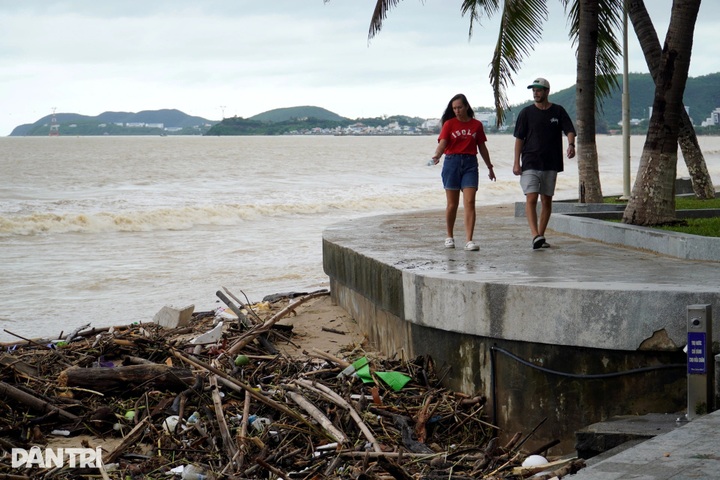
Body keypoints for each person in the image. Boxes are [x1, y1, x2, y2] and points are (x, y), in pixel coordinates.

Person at [513, 77, 576, 250]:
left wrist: (571, 145)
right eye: (533, 90)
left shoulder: (558, 111)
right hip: (530, 161)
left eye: (539, 90)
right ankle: (535, 235)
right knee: (531, 197)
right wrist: (516, 163)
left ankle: (540, 236)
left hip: (551, 162)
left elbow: (569, 129)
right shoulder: (526, 113)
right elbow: (519, 138)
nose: (535, 93)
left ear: (547, 91)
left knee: (547, 200)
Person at [431, 93, 495, 251]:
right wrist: (437, 155)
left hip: (470, 164)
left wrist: (490, 167)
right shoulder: (449, 124)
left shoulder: (476, 125)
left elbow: (482, 147)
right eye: (454, 108)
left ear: (466, 106)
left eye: (459, 107)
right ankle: (449, 236)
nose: (457, 111)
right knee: (452, 204)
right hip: (451, 163)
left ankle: (469, 240)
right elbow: (443, 143)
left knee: (470, 201)